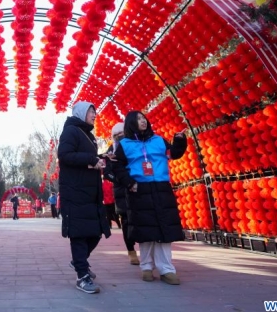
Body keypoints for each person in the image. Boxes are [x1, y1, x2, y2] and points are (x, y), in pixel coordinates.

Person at [112, 111, 187, 285]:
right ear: (131, 123)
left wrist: (179, 140)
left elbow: (173, 153)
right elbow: (116, 166)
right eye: (138, 119)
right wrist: (130, 183)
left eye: (144, 118)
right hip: (139, 190)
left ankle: (166, 269)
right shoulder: (124, 144)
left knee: (164, 230)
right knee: (146, 231)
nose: (143, 121)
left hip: (161, 188)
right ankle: (146, 267)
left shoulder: (158, 140)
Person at [57, 101, 111, 294]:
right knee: (79, 234)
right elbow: (64, 155)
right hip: (75, 192)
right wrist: (91, 159)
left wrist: (102, 157)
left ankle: (78, 261)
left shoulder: (88, 135)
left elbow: (86, 158)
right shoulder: (71, 131)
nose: (94, 115)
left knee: (95, 232)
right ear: (80, 113)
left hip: (90, 193)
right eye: (90, 111)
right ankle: (82, 276)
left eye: (95, 112)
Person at [103, 122, 139, 265]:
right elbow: (106, 173)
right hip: (121, 192)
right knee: (126, 221)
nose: (120, 137)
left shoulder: (136, 146)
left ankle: (146, 249)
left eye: (122, 133)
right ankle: (131, 250)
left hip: (137, 188)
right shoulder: (111, 151)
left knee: (140, 219)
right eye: (117, 135)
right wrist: (119, 179)